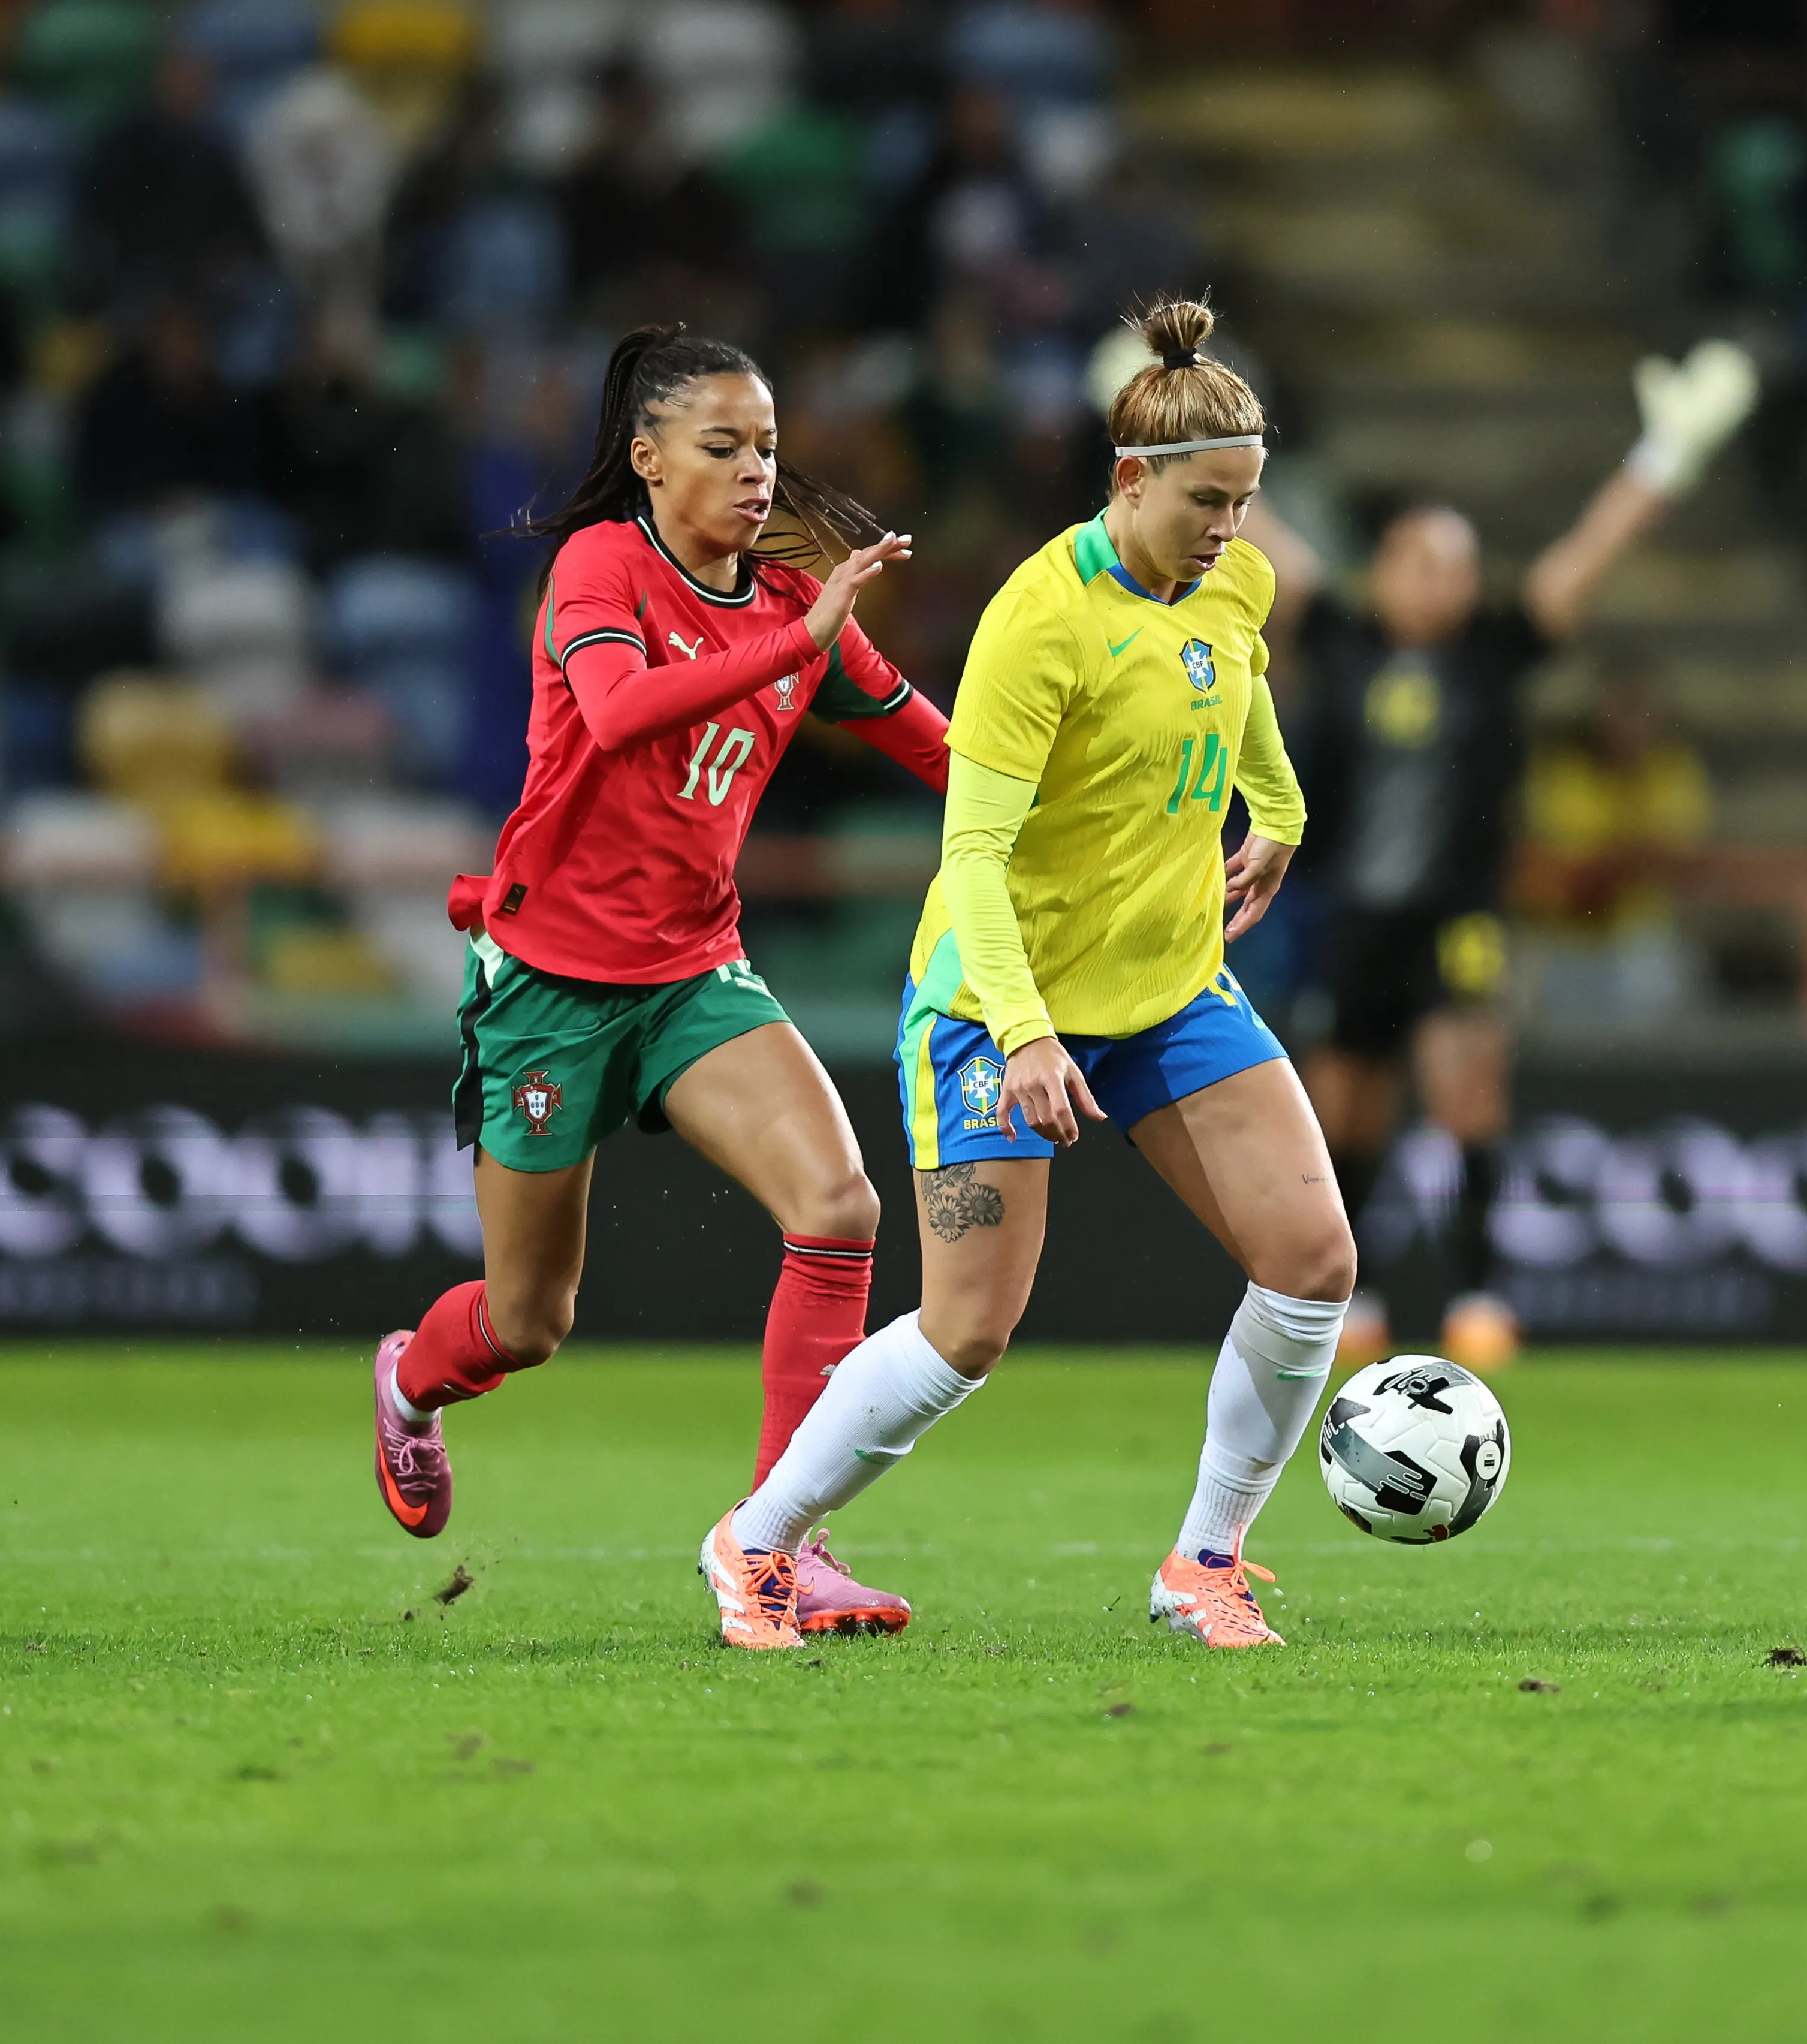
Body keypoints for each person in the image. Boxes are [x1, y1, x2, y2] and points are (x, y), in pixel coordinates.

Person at [701, 300, 1326, 1655]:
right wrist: (1030, 1035)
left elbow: (1241, 685)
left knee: (1313, 1259)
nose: (1231, 531)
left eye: (1247, 502)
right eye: (1208, 501)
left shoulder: (1234, 579)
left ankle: (1205, 1559)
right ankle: (757, 1541)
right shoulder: (1037, 623)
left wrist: (1276, 807)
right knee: (968, 1329)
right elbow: (971, 854)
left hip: (1169, 989)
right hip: (1001, 1003)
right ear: (1129, 479)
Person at [367, 324, 953, 1644]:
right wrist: (798, 635)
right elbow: (626, 709)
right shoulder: (599, 565)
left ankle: (779, 1542)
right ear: (646, 458)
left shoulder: (797, 603)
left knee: (840, 1204)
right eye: (723, 447)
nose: (757, 474)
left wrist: (1103, 819)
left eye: (769, 450)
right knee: (527, 1321)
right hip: (550, 985)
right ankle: (411, 1379)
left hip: (693, 970)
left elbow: (942, 747)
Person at [1275, 339, 1758, 1371]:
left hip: (1459, 910)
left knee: (1467, 1090)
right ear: (1387, 568)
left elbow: (1587, 554)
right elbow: (1256, 537)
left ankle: (1479, 1294)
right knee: (1344, 1104)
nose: (1442, 580)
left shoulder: (1498, 648)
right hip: (1357, 909)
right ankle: (1350, 1300)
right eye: (1422, 560)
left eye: (1457, 564)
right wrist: (1158, 436)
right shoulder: (1346, 637)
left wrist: (1664, 459)